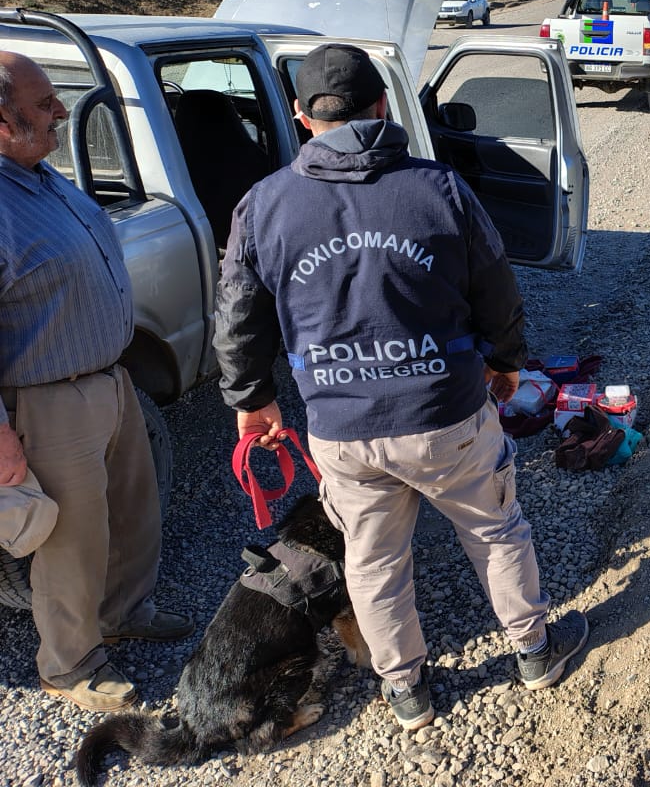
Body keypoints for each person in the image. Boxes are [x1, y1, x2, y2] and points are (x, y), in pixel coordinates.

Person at [213, 44, 589, 732]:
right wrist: (506, 361)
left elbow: (239, 310)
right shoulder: (440, 188)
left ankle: (406, 694)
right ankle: (535, 653)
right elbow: (496, 290)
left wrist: (251, 398)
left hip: (342, 430)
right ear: (382, 106)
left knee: (373, 558)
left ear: (300, 117)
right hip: (446, 413)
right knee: (496, 530)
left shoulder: (264, 204)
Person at [0, 51, 192, 713]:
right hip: (49, 401)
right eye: (45, 101)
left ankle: (123, 610)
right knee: (71, 541)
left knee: (131, 513)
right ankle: (70, 664)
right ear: (1, 119)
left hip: (108, 380)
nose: (61, 110)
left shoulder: (39, 175)